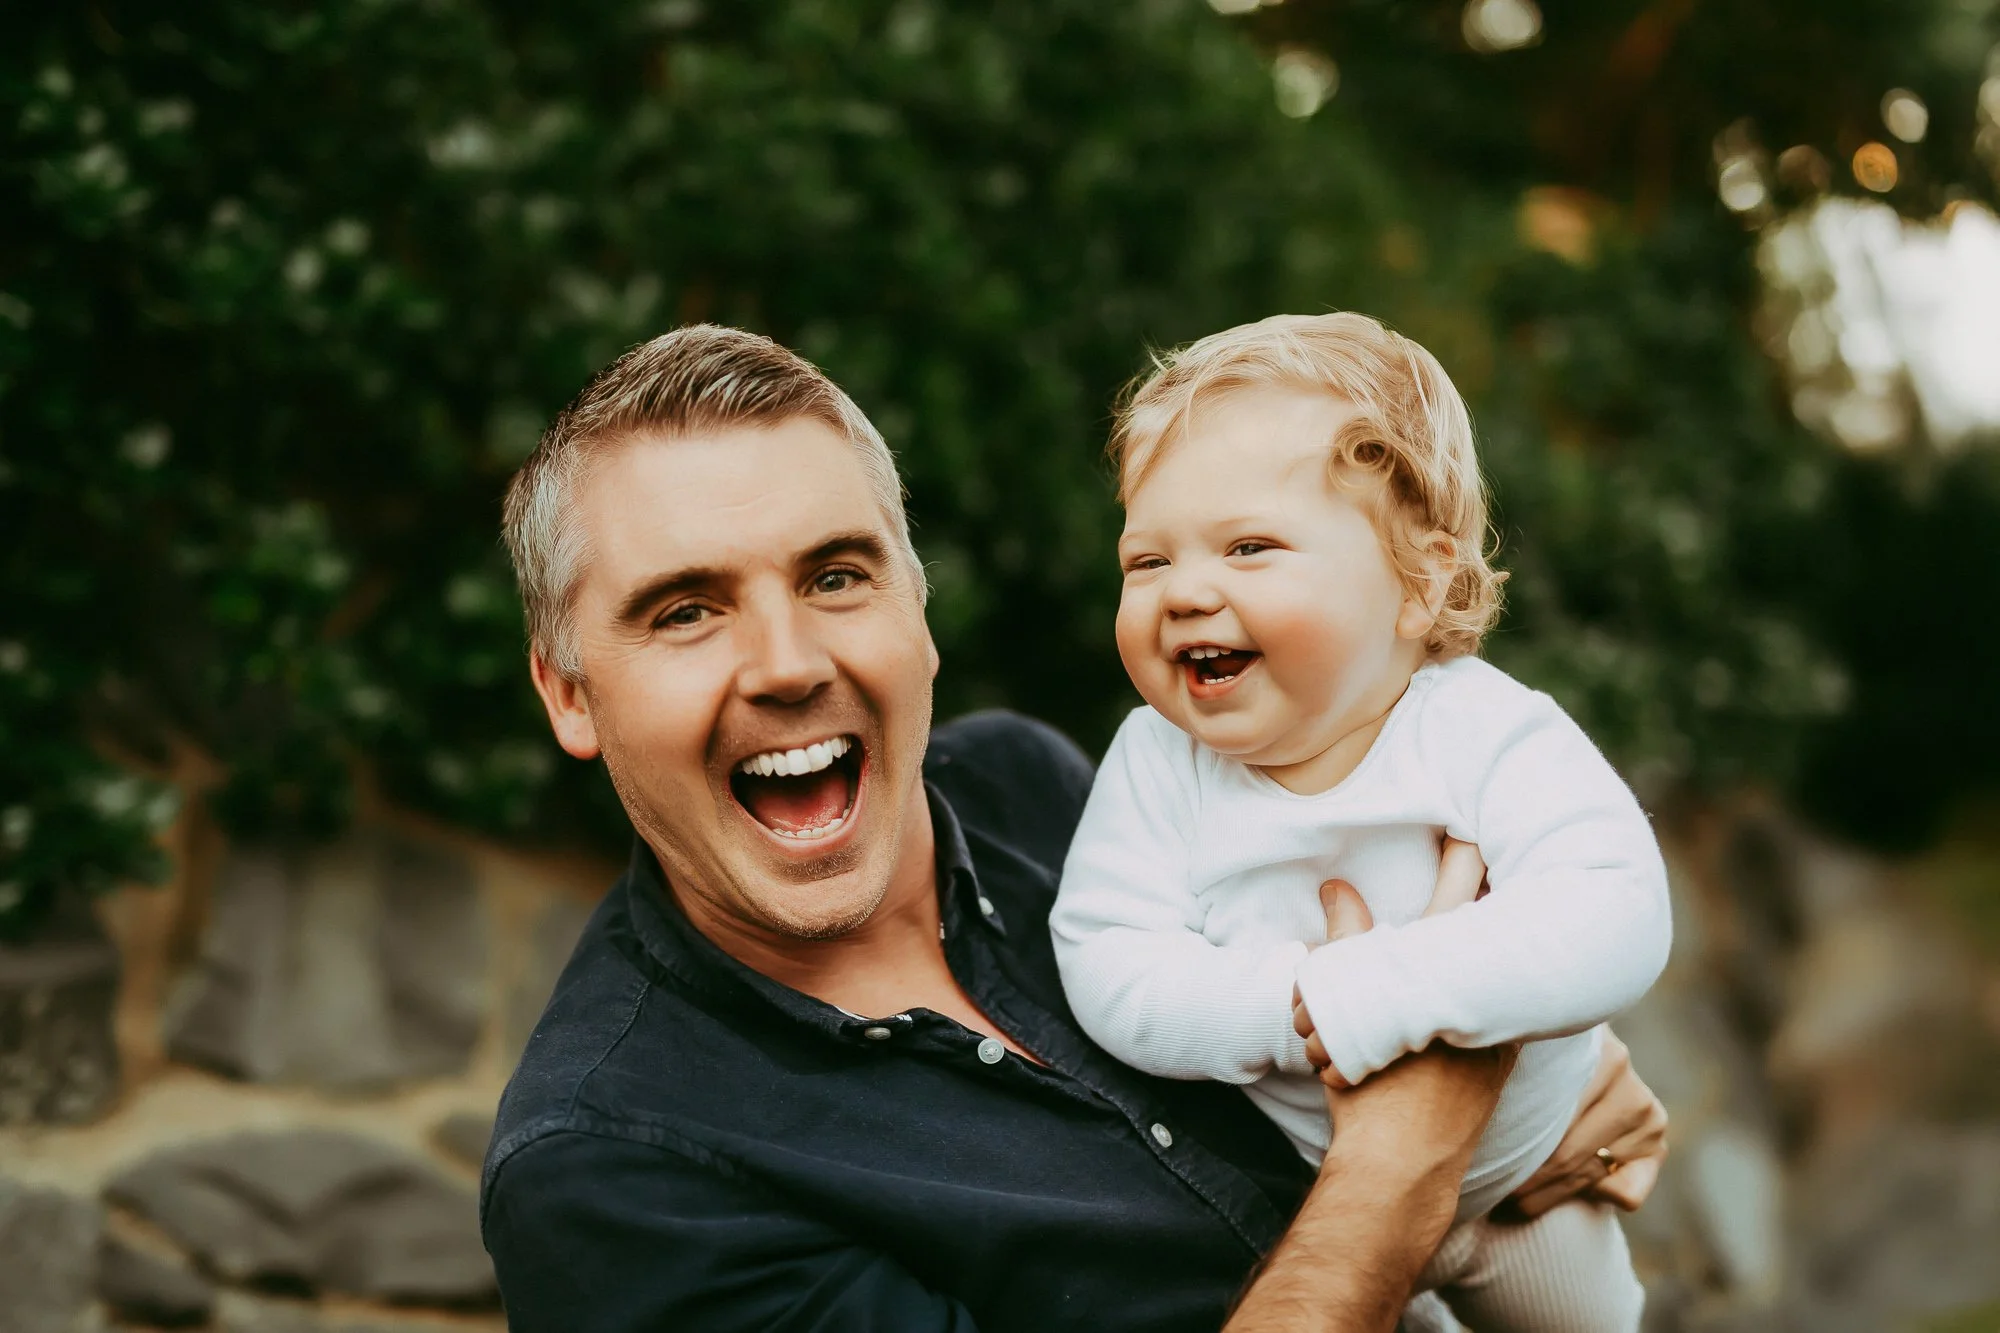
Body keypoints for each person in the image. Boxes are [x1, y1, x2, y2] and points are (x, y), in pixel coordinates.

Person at [478, 323, 1669, 1333]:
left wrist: (1538, 1076)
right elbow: (1403, 1111)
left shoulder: (1033, 788)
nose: (787, 664)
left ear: (918, 608)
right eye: (686, 610)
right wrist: (1405, 1157)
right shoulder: (613, 1170)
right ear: (570, 693)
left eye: (838, 575)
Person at [1051, 312, 1671, 1332]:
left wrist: (1391, 988)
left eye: (1249, 546)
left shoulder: (1484, 731)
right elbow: (1105, 957)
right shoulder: (1159, 764)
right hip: (1299, 1207)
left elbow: (1616, 909)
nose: (1184, 592)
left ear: (1418, 582)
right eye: (1145, 561)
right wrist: (1287, 1004)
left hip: (1528, 1187)